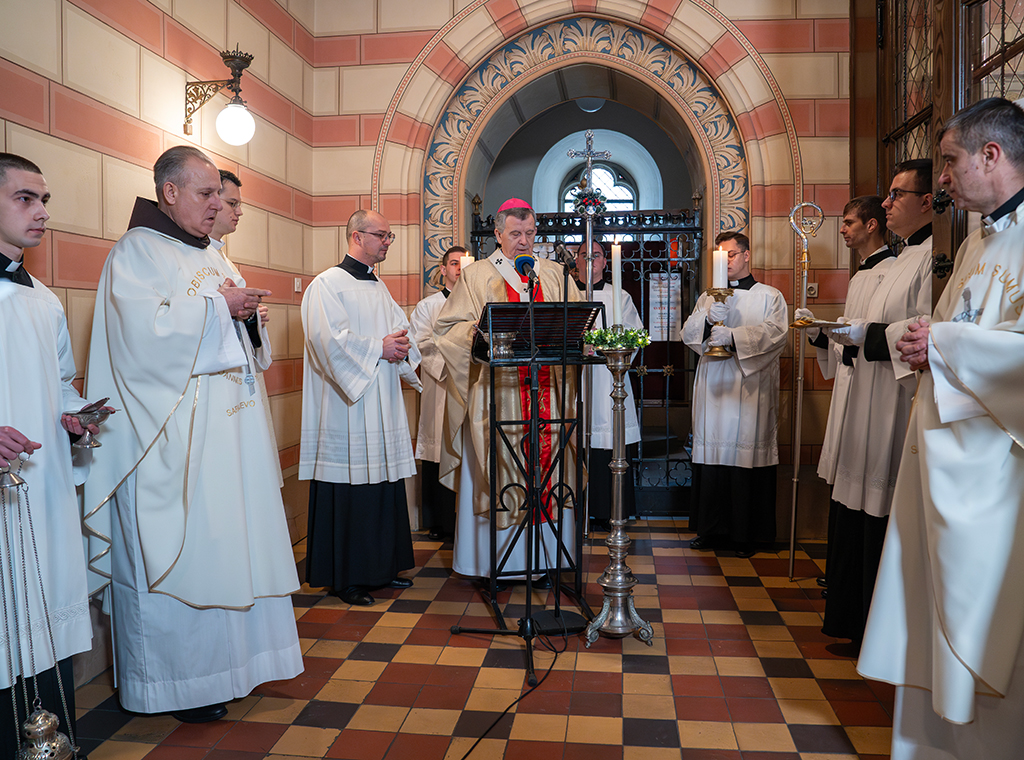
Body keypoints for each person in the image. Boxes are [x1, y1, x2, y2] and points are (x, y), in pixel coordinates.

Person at [83, 145, 302, 723]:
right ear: (170, 192)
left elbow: (241, 339)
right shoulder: (136, 252)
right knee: (182, 556)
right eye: (206, 195)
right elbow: (141, 341)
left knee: (228, 548)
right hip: (171, 443)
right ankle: (176, 684)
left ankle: (231, 669)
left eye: (220, 196)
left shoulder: (216, 254)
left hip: (227, 443)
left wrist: (246, 315)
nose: (216, 206)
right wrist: (218, 310)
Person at [858, 97, 1024, 760]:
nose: (943, 178)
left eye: (951, 161)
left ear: (992, 155)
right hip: (943, 468)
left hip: (995, 483)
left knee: (982, 627)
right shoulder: (979, 240)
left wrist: (948, 344)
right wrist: (928, 340)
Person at [0, 153, 100, 753]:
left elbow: (62, 380)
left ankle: (54, 741)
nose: (41, 213)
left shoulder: (44, 299)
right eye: (24, 199)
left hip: (43, 489)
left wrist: (72, 416)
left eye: (45, 201)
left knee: (45, 616)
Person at [816, 161, 932, 647]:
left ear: (928, 202)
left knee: (878, 505)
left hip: (893, 400)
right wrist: (827, 334)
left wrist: (858, 334)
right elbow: (863, 328)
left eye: (896, 195)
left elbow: (922, 328)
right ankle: (851, 614)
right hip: (866, 392)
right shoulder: (895, 262)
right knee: (854, 505)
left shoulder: (930, 259)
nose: (886, 205)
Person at [434, 199, 580, 579]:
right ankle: (495, 562)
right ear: (498, 235)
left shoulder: (553, 274)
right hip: (496, 393)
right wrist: (483, 336)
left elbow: (578, 326)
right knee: (500, 467)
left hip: (549, 390)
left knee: (549, 469)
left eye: (530, 233)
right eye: (515, 233)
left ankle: (547, 559)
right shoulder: (478, 275)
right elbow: (449, 329)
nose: (524, 241)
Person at [300, 209, 421, 607]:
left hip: (381, 401)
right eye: (381, 235)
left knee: (383, 486)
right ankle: (346, 577)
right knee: (350, 489)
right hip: (346, 407)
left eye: (390, 236)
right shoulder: (326, 285)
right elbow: (327, 341)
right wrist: (379, 348)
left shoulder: (377, 286)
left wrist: (401, 347)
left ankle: (383, 568)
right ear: (356, 235)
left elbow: (400, 331)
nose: (387, 241)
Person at [795, 196, 895, 597]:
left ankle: (849, 576)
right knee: (844, 481)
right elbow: (847, 337)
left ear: (872, 226)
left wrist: (842, 334)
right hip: (853, 385)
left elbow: (868, 333)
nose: (842, 229)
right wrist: (819, 331)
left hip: (878, 388)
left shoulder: (891, 271)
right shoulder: (859, 277)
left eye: (849, 222)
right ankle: (840, 572)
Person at [681, 231, 787, 558]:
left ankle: (745, 535)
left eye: (730, 255)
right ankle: (711, 530)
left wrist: (734, 336)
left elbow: (776, 335)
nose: (725, 262)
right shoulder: (706, 297)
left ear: (746, 256)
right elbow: (687, 335)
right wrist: (705, 319)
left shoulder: (770, 296)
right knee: (713, 456)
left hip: (748, 388)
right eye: (719, 256)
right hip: (713, 386)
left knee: (745, 456)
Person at [209, 169, 281, 488]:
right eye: (232, 203)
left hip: (240, 382)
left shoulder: (225, 262)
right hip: (214, 390)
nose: (239, 212)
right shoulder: (189, 258)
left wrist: (252, 317)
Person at [574, 239, 643, 531]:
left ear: (605, 262)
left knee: (606, 442)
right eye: (584, 255)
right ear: (575, 260)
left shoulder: (620, 296)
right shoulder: (561, 292)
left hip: (607, 379)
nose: (590, 260)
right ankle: (572, 510)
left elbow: (634, 337)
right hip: (571, 378)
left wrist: (601, 346)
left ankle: (606, 511)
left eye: (597, 255)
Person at [410, 245, 463, 540]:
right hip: (441, 385)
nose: (458, 268)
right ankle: (441, 521)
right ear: (443, 269)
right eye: (453, 263)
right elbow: (421, 344)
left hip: (472, 388)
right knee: (438, 448)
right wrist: (455, 362)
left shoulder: (480, 302)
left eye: (463, 263)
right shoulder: (428, 306)